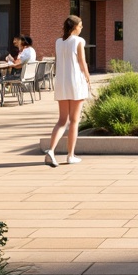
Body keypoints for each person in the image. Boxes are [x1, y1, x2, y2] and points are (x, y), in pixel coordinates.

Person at [45, 15, 91, 167]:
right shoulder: (79, 41)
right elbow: (82, 62)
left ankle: (51, 150)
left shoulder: (58, 42)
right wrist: (88, 78)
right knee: (74, 121)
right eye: (80, 25)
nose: (82, 27)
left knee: (62, 120)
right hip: (76, 82)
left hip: (61, 83)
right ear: (75, 27)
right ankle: (70, 155)